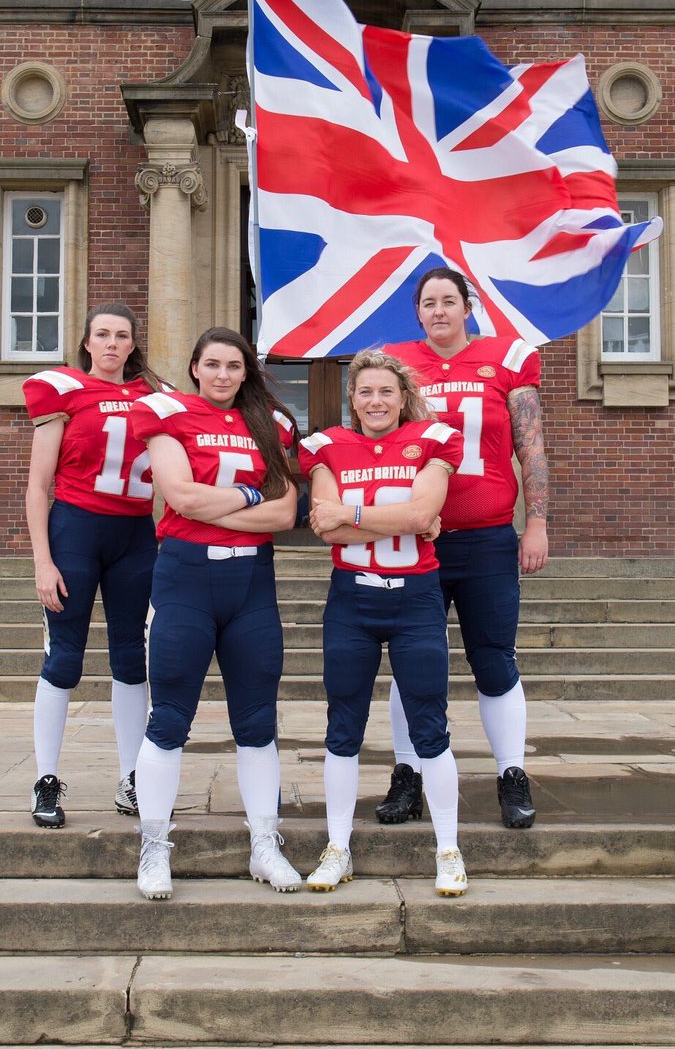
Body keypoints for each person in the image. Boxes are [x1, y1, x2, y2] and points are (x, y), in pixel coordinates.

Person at [129, 327, 300, 901]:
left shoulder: (271, 425)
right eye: (213, 364)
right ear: (196, 368)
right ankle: (154, 847)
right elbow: (180, 496)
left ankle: (264, 844)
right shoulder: (169, 413)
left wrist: (223, 508)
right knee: (169, 715)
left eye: (234, 365)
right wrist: (251, 499)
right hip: (186, 579)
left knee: (256, 721)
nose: (224, 375)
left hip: (251, 582)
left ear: (245, 371)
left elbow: (285, 514)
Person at [376, 265, 549, 830]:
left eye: (449, 301)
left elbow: (531, 446)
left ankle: (511, 773)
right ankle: (408, 773)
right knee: (410, 662)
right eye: (428, 303)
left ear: (467, 306)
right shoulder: (397, 364)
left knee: (494, 657)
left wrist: (538, 522)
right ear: (417, 311)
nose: (439, 311)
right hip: (416, 537)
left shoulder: (507, 359)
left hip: (487, 537)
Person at [298, 349, 468, 897]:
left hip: (416, 599)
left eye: (386, 392)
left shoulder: (434, 439)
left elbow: (420, 516)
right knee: (342, 726)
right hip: (353, 602)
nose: (376, 401)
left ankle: (448, 849)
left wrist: (355, 515)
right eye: (365, 392)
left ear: (402, 398)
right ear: (352, 398)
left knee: (430, 727)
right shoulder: (326, 447)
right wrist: (404, 522)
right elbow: (326, 528)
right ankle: (338, 848)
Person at [23, 302, 167, 829]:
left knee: (132, 659)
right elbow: (39, 485)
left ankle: (132, 776)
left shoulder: (156, 400)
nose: (111, 343)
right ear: (87, 342)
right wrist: (42, 560)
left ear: (132, 345)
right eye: (102, 334)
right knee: (64, 658)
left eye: (121, 335)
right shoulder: (63, 391)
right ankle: (46, 777)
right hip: (75, 531)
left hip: (134, 534)